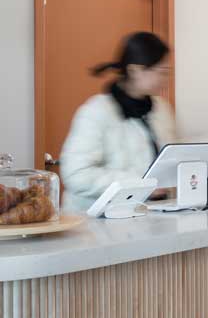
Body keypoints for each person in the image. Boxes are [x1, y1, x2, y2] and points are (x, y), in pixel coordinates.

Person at [61, 32, 175, 210]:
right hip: (96, 221)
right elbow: (77, 174)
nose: (166, 80)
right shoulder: (96, 111)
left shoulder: (161, 109)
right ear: (134, 71)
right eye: (161, 72)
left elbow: (170, 159)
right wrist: (140, 184)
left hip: (148, 216)